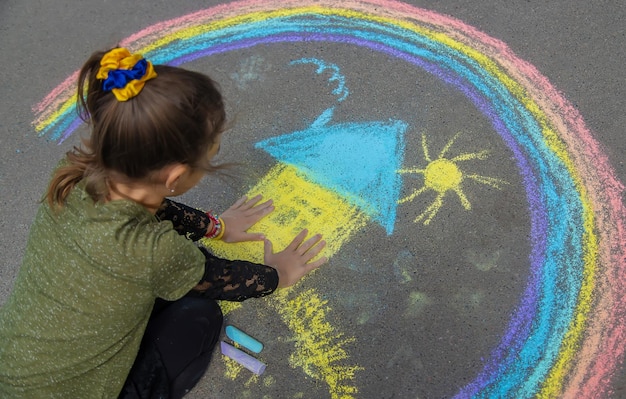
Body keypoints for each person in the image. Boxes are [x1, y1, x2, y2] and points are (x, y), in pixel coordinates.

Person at [0, 47, 328, 398]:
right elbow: (221, 280)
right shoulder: (153, 251)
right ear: (176, 174)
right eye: (212, 152)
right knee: (200, 316)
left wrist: (218, 227)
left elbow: (155, 210)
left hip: (13, 365)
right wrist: (278, 275)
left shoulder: (74, 177)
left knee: (178, 270)